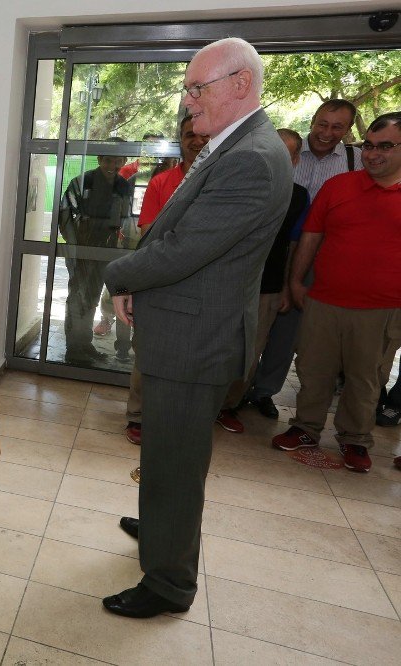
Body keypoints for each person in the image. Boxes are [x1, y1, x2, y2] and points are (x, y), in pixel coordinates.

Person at [101, 38, 293, 618]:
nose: (188, 103)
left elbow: (185, 250)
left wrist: (118, 273)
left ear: (241, 85)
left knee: (178, 467)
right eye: (188, 89)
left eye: (197, 88)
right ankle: (163, 529)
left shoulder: (252, 158)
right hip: (188, 328)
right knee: (167, 455)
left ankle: (168, 583)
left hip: (195, 340)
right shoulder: (236, 144)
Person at [272, 112, 401, 473]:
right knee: (314, 369)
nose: (373, 154)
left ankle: (355, 440)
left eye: (385, 147)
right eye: (369, 146)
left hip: (383, 308)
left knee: (366, 377)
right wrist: (296, 281)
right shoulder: (339, 186)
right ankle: (305, 428)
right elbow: (310, 236)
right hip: (324, 300)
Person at [243, 100, 364, 419]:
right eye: (322, 124)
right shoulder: (288, 147)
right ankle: (236, 387)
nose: (327, 132)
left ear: (348, 129)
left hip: (324, 255)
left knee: (288, 329)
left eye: (337, 127)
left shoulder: (357, 160)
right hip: (275, 249)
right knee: (254, 323)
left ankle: (263, 391)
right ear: (313, 121)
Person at [215, 129, 311, 433]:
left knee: (249, 355)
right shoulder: (236, 185)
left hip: (267, 288)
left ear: (295, 159)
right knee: (214, 348)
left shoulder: (298, 196)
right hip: (226, 284)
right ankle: (199, 405)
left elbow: (293, 245)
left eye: (286, 153)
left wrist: (286, 285)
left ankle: (229, 406)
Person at [123, 114, 209, 445]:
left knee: (193, 358)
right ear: (181, 139)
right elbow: (148, 235)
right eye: (190, 134)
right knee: (147, 355)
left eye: (203, 134)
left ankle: (178, 419)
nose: (197, 141)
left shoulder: (222, 181)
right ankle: (138, 417)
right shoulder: (160, 183)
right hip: (159, 284)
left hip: (204, 287)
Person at [59, 142, 133, 364]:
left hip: (108, 250)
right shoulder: (82, 182)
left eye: (118, 160)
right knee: (77, 298)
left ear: (124, 162)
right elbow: (64, 213)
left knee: (91, 297)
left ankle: (85, 345)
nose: (113, 164)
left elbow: (126, 219)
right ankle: (73, 349)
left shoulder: (124, 186)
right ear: (100, 159)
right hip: (82, 247)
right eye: (108, 160)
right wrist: (74, 247)